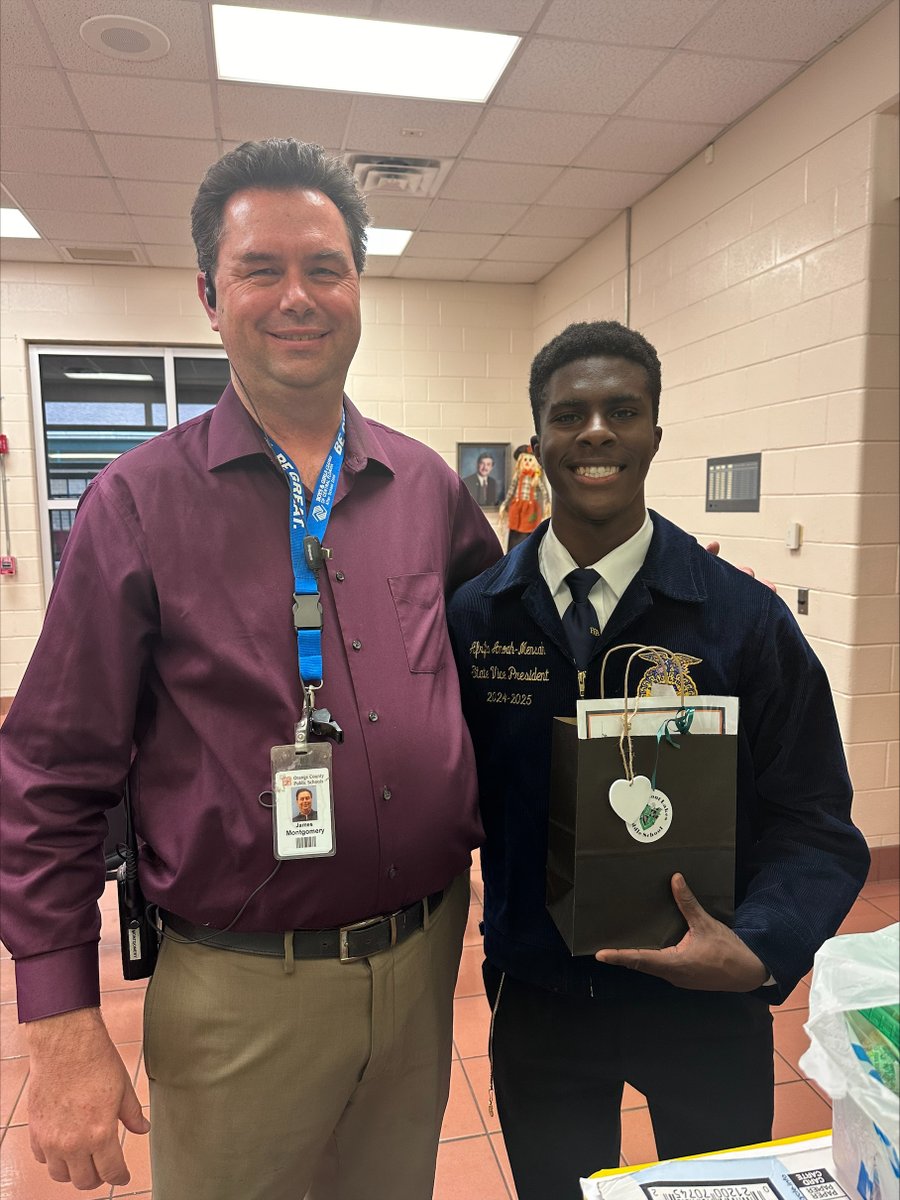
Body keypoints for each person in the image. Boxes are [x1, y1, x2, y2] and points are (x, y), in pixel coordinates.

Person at [0, 139, 501, 1200]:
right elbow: (49, 772)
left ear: (359, 286)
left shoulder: (428, 491)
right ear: (208, 295)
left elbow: (493, 694)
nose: (297, 297)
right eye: (260, 269)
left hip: (423, 967)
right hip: (239, 990)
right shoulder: (135, 505)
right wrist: (57, 1019)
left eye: (325, 267)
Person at [446, 320, 870, 1200]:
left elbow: (817, 825)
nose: (595, 432)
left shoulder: (742, 623)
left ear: (654, 436)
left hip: (707, 1001)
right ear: (537, 444)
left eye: (622, 411)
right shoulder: (477, 620)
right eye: (570, 415)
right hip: (542, 997)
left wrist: (757, 950)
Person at [498, 442, 550, 550]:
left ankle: (526, 552)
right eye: (525, 460)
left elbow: (544, 490)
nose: (527, 462)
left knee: (529, 531)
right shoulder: (518, 476)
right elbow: (511, 491)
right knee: (515, 531)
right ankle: (513, 552)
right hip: (517, 507)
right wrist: (504, 504)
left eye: (530, 460)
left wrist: (547, 503)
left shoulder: (536, 478)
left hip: (530, 508)